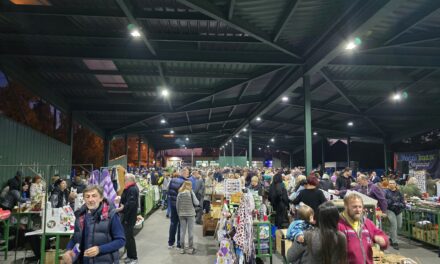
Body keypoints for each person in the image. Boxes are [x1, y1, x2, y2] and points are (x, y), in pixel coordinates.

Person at [63, 185, 125, 264]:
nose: (90, 199)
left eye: (94, 196)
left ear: (101, 198)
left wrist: (100, 249)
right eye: (87, 196)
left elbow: (121, 240)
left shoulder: (111, 215)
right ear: (84, 199)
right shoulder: (80, 215)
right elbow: (75, 238)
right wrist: (68, 250)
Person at [338, 193, 388, 264]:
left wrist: (383, 240)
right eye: (354, 207)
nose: (358, 210)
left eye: (360, 207)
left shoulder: (367, 223)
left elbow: (380, 235)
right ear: (346, 207)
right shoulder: (339, 226)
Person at [116, 173, 139, 264]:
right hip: (127, 216)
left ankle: (134, 258)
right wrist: (120, 201)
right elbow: (127, 201)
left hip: (129, 217)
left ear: (130, 180)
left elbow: (131, 203)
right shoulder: (129, 188)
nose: (124, 181)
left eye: (125, 180)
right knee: (127, 237)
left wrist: (122, 208)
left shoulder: (132, 189)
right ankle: (130, 256)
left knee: (129, 238)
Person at [167, 168, 190, 249]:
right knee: (181, 225)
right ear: (184, 173)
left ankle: (170, 243)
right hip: (181, 206)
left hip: (173, 205)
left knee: (173, 223)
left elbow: (168, 192)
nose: (188, 175)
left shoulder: (172, 180)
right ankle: (179, 244)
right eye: (187, 173)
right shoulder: (185, 182)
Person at [176, 181, 199, 254]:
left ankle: (182, 248)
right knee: (190, 232)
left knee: (182, 232)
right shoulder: (191, 193)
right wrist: (192, 192)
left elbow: (177, 205)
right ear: (189, 186)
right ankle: (190, 248)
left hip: (181, 215)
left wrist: (179, 213)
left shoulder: (179, 193)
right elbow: (197, 203)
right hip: (190, 214)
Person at [384, 179, 405, 250]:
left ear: (395, 184)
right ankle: (395, 242)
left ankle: (391, 238)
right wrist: (392, 202)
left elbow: (403, 202)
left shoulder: (399, 192)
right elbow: (384, 201)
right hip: (390, 210)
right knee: (394, 225)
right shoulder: (385, 191)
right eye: (390, 183)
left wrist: (399, 204)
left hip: (398, 210)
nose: (391, 184)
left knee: (399, 226)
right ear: (388, 184)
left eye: (393, 183)